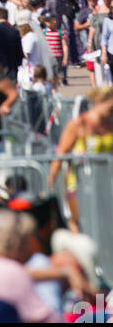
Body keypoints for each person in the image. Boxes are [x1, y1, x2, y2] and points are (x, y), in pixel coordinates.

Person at [48, 85, 113, 232]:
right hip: (80, 183)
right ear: (99, 101)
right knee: (79, 223)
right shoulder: (79, 124)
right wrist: (51, 180)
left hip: (105, 183)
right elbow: (61, 153)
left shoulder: (110, 125)